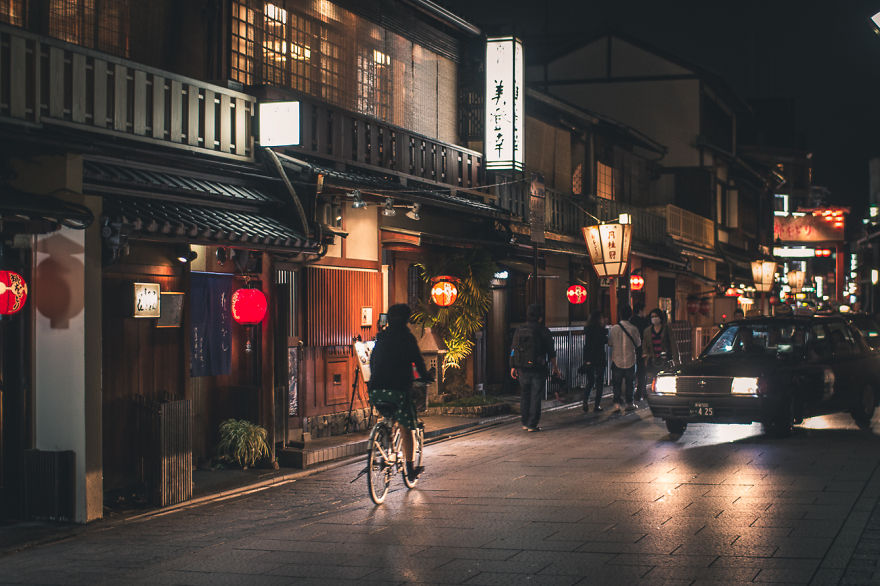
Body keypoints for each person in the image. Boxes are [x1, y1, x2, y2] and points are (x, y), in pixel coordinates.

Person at [368, 303, 433, 482]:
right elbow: (418, 363)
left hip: (375, 391)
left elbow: (373, 363)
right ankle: (410, 469)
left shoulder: (380, 338)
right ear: (407, 320)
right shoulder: (407, 338)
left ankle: (384, 445)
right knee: (407, 427)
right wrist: (426, 376)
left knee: (387, 415)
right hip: (398, 391)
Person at [510, 303, 561, 432]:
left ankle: (524, 422)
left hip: (522, 367)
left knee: (525, 394)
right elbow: (551, 351)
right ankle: (532, 424)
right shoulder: (543, 330)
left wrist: (513, 365)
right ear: (540, 317)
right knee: (536, 395)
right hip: (538, 367)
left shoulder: (520, 329)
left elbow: (513, 349)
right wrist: (555, 368)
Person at [608, 304, 641, 412]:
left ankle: (617, 404)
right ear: (630, 316)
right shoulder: (634, 329)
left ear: (620, 315)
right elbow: (638, 343)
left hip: (617, 360)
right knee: (630, 383)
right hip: (630, 360)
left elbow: (610, 343)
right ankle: (629, 403)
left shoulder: (614, 329)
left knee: (616, 384)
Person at [642, 308, 680, 386]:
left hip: (665, 360)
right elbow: (645, 345)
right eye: (652, 317)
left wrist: (676, 359)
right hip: (652, 359)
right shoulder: (647, 331)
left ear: (660, 317)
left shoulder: (666, 328)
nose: (654, 318)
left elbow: (673, 344)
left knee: (665, 379)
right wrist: (646, 356)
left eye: (656, 316)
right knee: (653, 380)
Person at [582, 310, 608, 412]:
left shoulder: (587, 329)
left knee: (590, 381)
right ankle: (597, 405)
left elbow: (587, 346)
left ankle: (585, 401)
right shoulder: (601, 330)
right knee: (599, 382)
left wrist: (586, 360)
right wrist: (604, 327)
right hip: (600, 358)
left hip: (589, 359)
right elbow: (605, 341)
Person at [630, 301, 650, 401]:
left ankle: (636, 392)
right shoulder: (644, 322)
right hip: (642, 349)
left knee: (633, 372)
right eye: (644, 310)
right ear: (640, 311)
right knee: (642, 372)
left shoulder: (631, 321)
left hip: (631, 349)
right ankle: (641, 392)